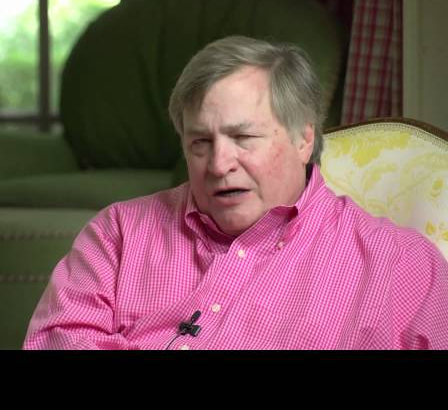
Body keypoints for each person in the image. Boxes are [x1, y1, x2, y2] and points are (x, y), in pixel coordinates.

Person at [23, 35, 448, 350]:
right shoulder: (118, 233)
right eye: (200, 142)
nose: (218, 164)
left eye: (243, 138)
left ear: (304, 139)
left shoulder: (403, 266)